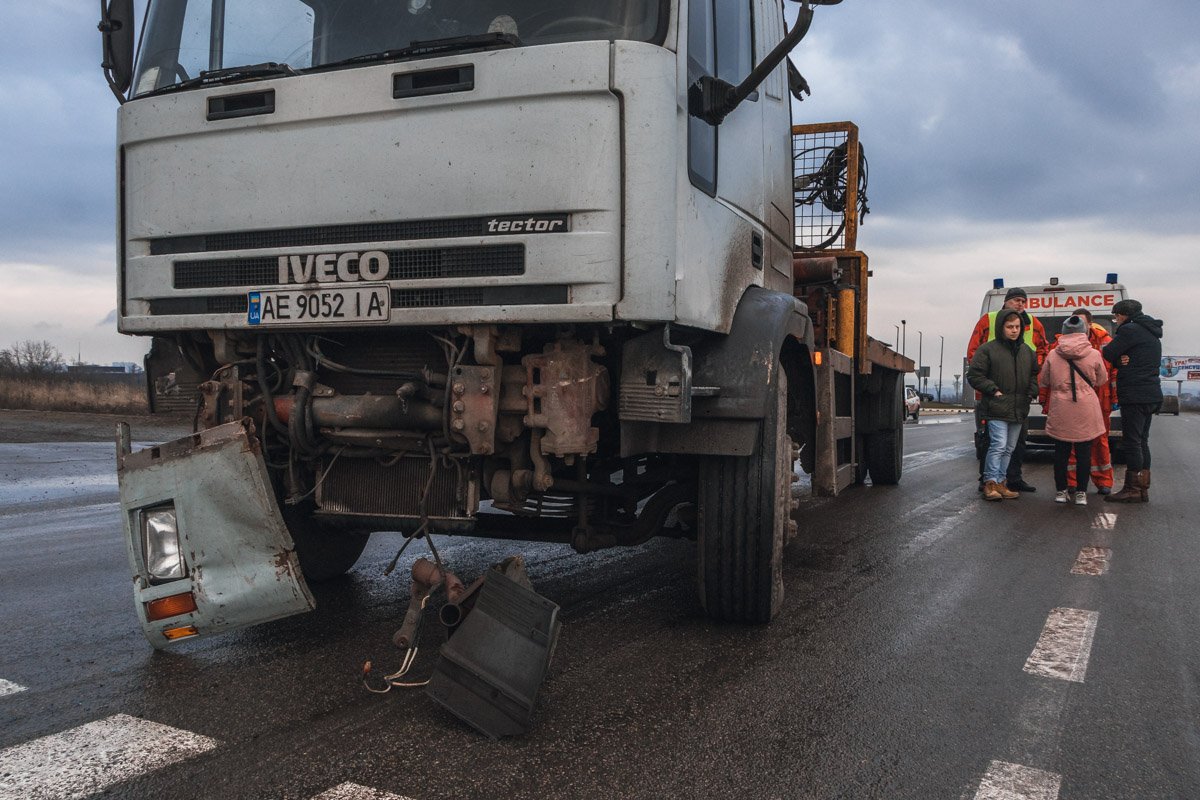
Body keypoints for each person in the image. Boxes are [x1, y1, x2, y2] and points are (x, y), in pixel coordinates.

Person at [967, 287, 1049, 492]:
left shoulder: (1034, 324)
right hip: (996, 395)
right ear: (1006, 301)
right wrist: (991, 386)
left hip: (1020, 397)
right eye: (1016, 300)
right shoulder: (988, 320)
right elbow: (974, 353)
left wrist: (1032, 386)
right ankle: (988, 480)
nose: (1020, 304)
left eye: (1023, 301)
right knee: (994, 442)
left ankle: (1011, 479)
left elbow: (1042, 351)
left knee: (1016, 443)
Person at [1041, 308, 1117, 494]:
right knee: (1076, 447)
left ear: (1090, 324)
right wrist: (1044, 400)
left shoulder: (1103, 342)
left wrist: (1115, 397)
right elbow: (1105, 377)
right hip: (1091, 399)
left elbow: (1115, 370)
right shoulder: (1095, 347)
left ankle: (1102, 481)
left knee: (1098, 443)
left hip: (1096, 400)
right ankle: (1073, 483)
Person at [1101, 299, 1164, 503]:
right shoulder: (1152, 332)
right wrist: (1122, 360)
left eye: (1116, 317)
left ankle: (1132, 489)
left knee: (1132, 441)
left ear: (1122, 315)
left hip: (1135, 394)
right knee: (1142, 440)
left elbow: (1108, 353)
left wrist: (1118, 359)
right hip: (1151, 393)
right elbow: (1138, 358)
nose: (1116, 321)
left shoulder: (1130, 330)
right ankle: (1143, 487)